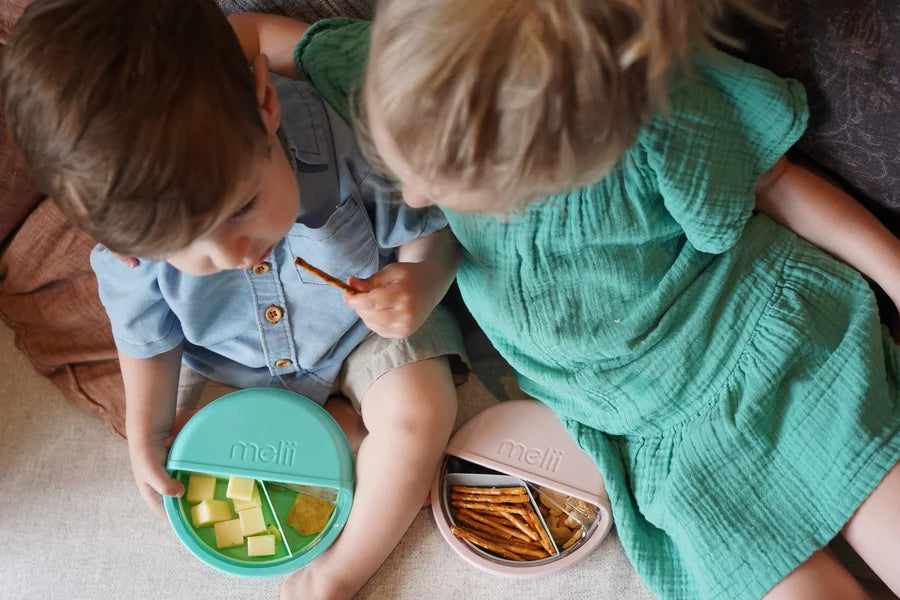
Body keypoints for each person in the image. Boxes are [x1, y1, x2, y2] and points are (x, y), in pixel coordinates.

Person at [234, 1, 900, 598]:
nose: (411, 202)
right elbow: (250, 33)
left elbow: (777, 182)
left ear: (554, 168)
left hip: (764, 343)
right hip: (656, 436)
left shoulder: (657, 119)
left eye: (442, 188)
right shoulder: (412, 73)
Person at [0, 2, 469, 599]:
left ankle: (340, 571)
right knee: (196, 473)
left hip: (362, 331)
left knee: (421, 414)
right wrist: (146, 433)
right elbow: (144, 336)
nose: (233, 253)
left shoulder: (346, 137)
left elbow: (436, 225)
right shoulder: (131, 245)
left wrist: (422, 284)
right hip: (234, 360)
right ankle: (340, 435)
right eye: (185, 247)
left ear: (264, 105)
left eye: (244, 205)